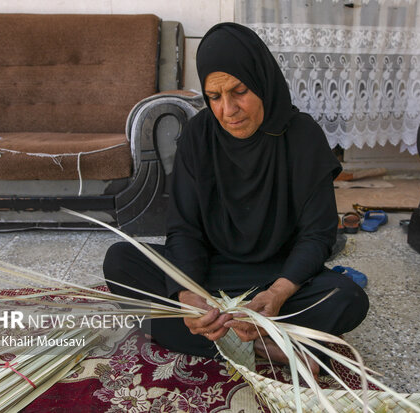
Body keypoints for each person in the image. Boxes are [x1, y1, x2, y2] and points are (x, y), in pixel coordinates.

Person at [103, 22, 368, 373]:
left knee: (347, 298)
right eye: (214, 97)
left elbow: (317, 235)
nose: (228, 109)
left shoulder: (303, 136)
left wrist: (277, 294)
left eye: (239, 91)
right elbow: (184, 230)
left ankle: (199, 337)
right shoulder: (198, 136)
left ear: (261, 81)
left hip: (277, 276)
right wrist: (186, 296)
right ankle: (267, 348)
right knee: (121, 262)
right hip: (211, 273)